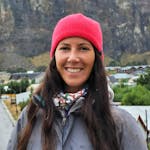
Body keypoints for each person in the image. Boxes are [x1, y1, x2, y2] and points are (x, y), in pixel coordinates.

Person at [7, 13, 148, 150]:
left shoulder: (120, 124)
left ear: (96, 58)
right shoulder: (30, 117)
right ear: (54, 57)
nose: (73, 57)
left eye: (83, 48)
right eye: (65, 48)